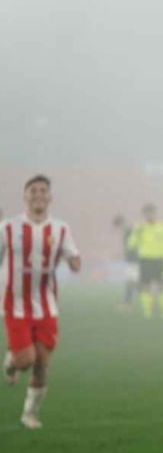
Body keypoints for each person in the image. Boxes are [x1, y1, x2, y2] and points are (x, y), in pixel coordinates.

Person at [2, 175, 82, 429]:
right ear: (25, 197)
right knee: (26, 360)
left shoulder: (60, 229)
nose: (38, 194)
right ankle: (13, 361)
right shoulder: (8, 227)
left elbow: (74, 257)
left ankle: (30, 414)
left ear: (50, 197)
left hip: (47, 305)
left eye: (43, 190)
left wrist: (74, 262)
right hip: (15, 305)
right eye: (33, 190)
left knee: (42, 364)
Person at [129, 203, 163, 319]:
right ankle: (147, 313)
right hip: (145, 260)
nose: (150, 215)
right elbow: (131, 245)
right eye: (147, 213)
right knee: (145, 287)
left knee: (161, 287)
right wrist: (135, 232)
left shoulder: (162, 227)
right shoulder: (140, 228)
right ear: (144, 215)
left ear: (156, 214)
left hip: (159, 260)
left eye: (152, 213)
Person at [112, 214, 139, 312]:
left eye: (117, 226)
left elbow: (134, 246)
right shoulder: (128, 231)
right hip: (131, 260)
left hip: (134, 261)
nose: (117, 230)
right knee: (132, 282)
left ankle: (128, 304)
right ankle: (128, 304)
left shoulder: (130, 231)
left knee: (133, 283)